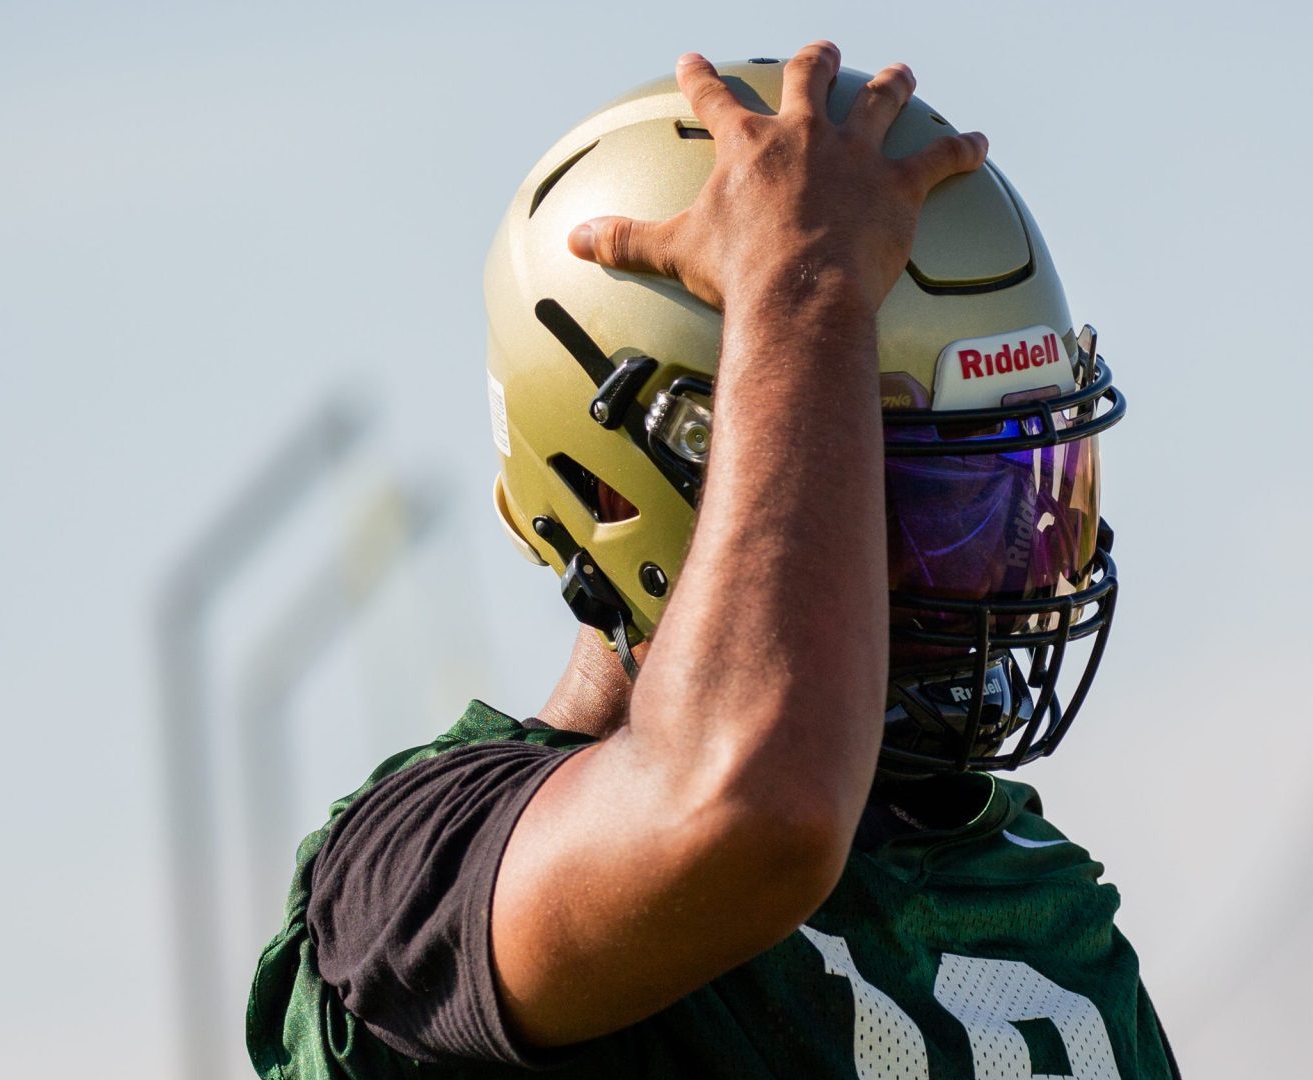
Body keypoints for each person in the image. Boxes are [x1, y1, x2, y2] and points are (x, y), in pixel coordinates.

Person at [246, 42, 1176, 1078]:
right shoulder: (415, 868)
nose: (1009, 563)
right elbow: (745, 806)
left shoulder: (1032, 895)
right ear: (621, 488)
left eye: (1016, 489)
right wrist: (803, 286)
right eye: (926, 497)